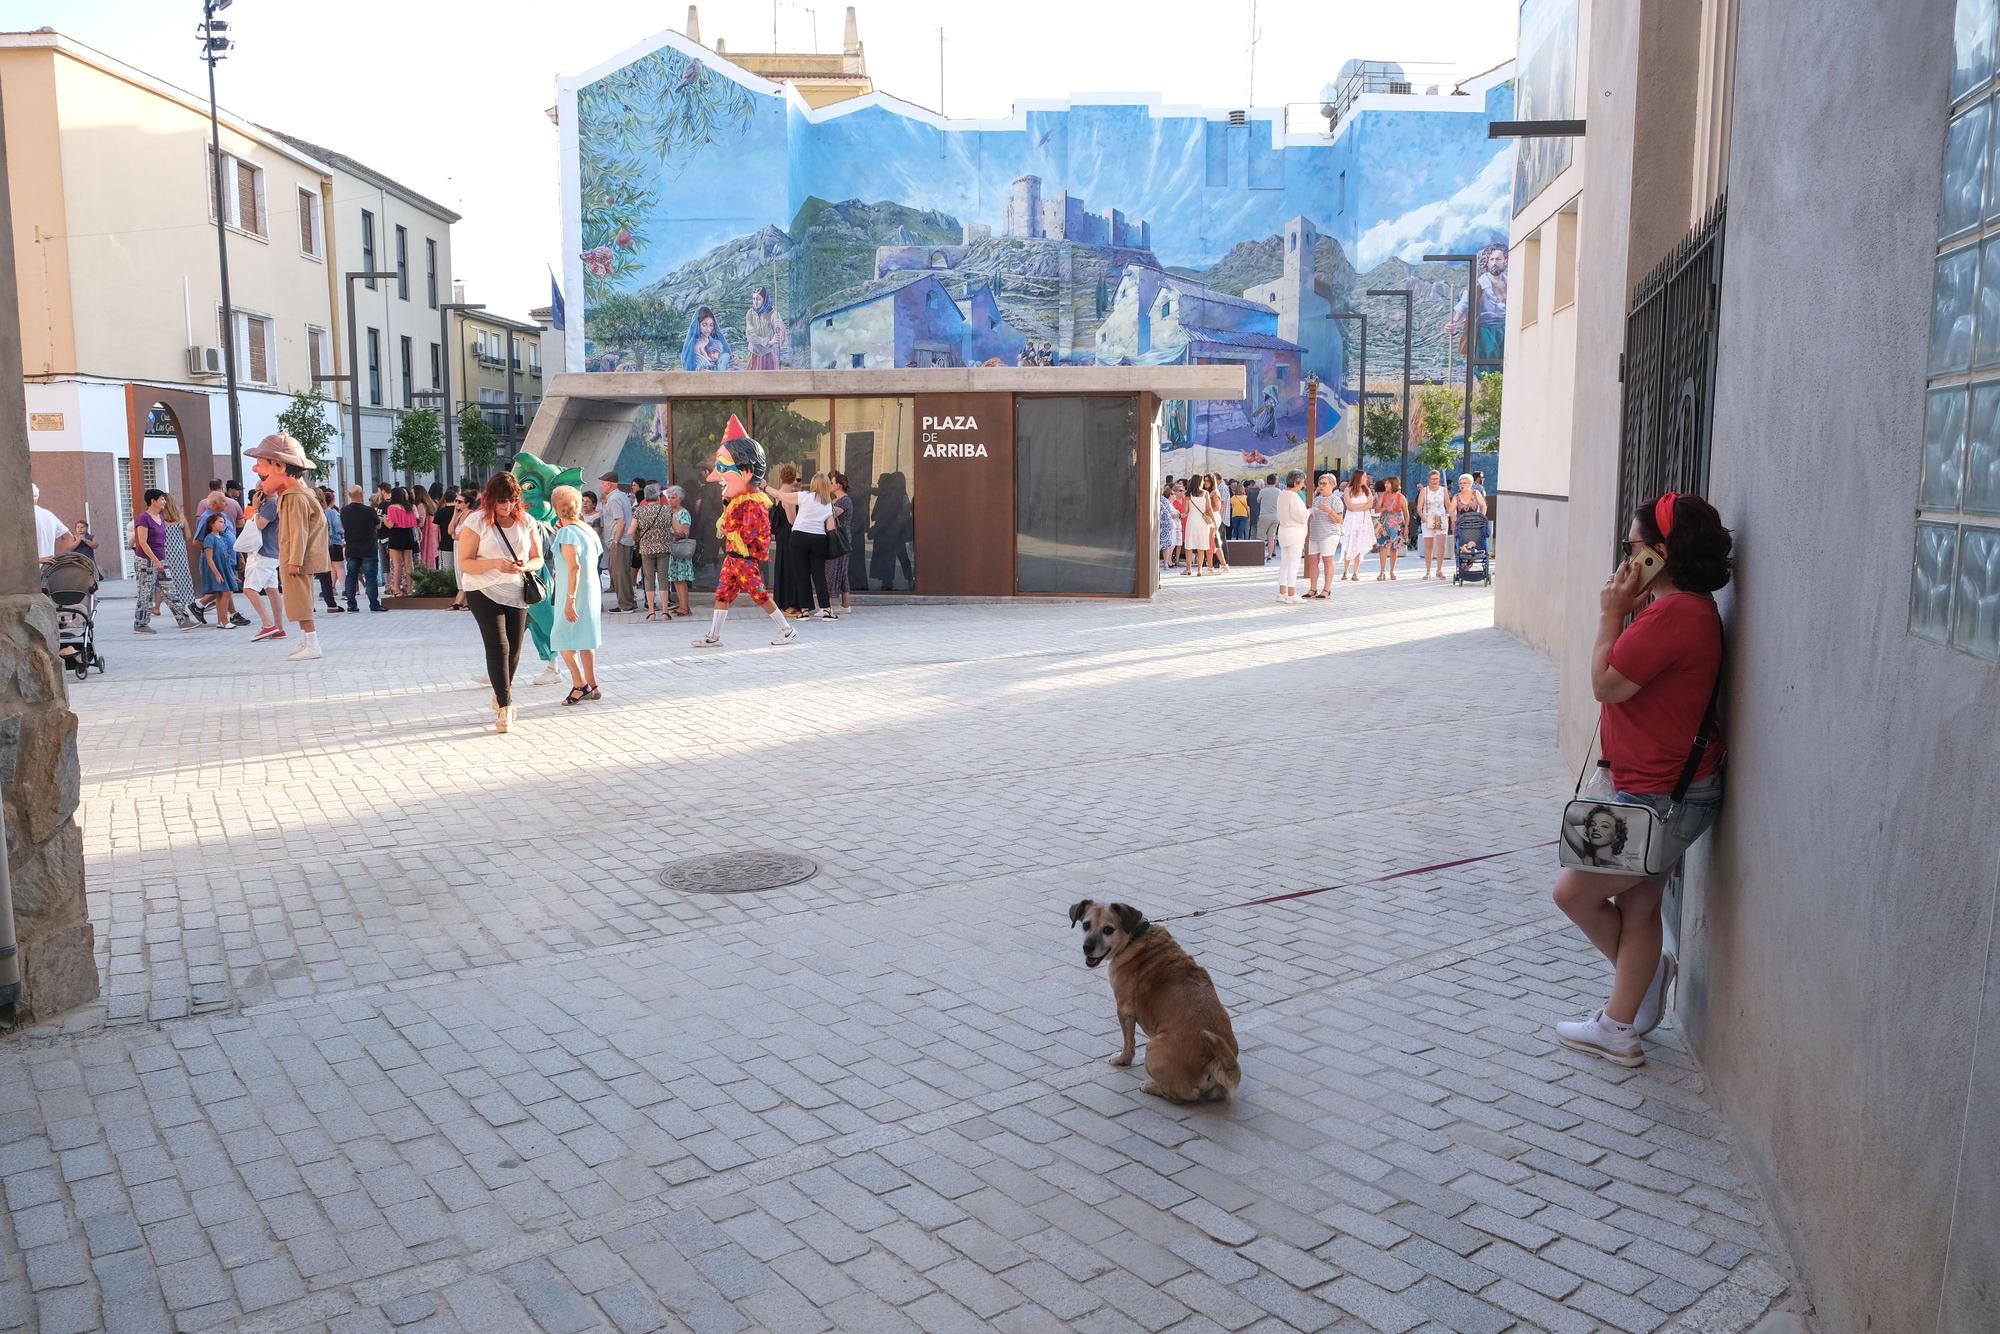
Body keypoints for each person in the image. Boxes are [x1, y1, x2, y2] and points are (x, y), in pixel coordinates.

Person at [1552, 492, 1731, 1067]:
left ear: (1659, 555)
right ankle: (1621, 1020)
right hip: (1661, 791)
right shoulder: (1680, 609)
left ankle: (1635, 996)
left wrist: (1609, 614)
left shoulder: (1676, 614)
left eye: (1631, 548)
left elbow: (1605, 683)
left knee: (1574, 894)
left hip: (1654, 799)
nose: (1625, 559)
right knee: (1641, 907)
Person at [692, 415, 796, 648]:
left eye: (722, 468)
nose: (715, 476)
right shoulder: (739, 501)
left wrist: (729, 525)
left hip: (744, 561)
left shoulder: (753, 503)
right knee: (722, 595)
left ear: (747, 472)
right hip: (733, 559)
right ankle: (713, 636)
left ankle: (787, 630)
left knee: (759, 595)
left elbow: (749, 533)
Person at [457, 472, 544, 733]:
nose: (507, 506)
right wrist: (496, 563)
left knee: (515, 649)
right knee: (498, 646)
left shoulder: (526, 521)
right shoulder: (477, 522)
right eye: (502, 501)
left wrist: (525, 566)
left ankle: (499, 692)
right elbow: (465, 563)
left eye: (513, 500)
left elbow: (538, 557)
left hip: (516, 589)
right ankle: (505, 707)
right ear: (491, 499)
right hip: (482, 589)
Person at [250, 433, 329, 661]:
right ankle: (305, 640)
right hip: (296, 557)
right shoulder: (296, 495)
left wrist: (294, 560)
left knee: (301, 600)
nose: (257, 469)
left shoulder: (294, 497)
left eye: (261, 464)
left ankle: (312, 643)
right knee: (297, 600)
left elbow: (299, 532)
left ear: (279, 465)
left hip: (297, 560)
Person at [548, 484, 604, 705]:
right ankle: (594, 684)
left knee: (561, 638)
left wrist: (569, 600)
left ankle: (580, 684)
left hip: (573, 591)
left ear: (555, 508)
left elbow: (574, 567)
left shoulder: (567, 532)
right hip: (591, 590)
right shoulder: (586, 529)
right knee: (585, 638)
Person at [130, 489, 196, 633]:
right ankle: (140, 624)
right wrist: (155, 560)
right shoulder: (144, 518)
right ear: (153, 501)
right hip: (146, 561)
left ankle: (183, 620)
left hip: (161, 559)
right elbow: (142, 542)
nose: (164, 502)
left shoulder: (160, 517)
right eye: (162, 499)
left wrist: (161, 559)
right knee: (146, 592)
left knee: (170, 590)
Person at [790, 471, 836, 619]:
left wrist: (766, 488)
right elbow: (831, 527)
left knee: (801, 574)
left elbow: (781, 496)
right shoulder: (827, 503)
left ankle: (804, 611)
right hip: (818, 539)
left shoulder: (804, 496)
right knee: (819, 574)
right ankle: (826, 609)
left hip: (799, 536)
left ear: (813, 484)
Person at [156, 496, 207, 624]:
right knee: (182, 580)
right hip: (179, 553)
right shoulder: (180, 517)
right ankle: (183, 611)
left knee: (165, 581)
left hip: (164, 552)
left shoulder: (159, 518)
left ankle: (158, 607)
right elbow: (189, 536)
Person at [632, 483, 677, 620]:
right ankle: (665, 611)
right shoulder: (667, 510)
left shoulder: (639, 511)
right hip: (664, 548)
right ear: (658, 496)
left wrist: (638, 538)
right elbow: (675, 529)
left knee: (649, 579)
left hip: (646, 548)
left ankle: (651, 612)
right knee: (663, 579)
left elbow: (630, 531)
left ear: (645, 497)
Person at [768, 463, 805, 614]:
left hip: (781, 535)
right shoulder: (788, 496)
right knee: (791, 568)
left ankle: (782, 602)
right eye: (797, 478)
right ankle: (790, 604)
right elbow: (792, 520)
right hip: (790, 534)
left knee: (783, 567)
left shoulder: (778, 493)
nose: (798, 481)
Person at [596, 471, 636, 613]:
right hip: (624, 540)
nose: (601, 486)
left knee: (619, 573)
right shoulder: (621, 496)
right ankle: (629, 601)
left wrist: (615, 541)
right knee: (621, 572)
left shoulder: (614, 499)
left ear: (610, 484)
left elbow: (620, 521)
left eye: (603, 483)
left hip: (619, 541)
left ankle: (625, 605)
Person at [340, 484, 383, 613]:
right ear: (362, 494)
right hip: (368, 548)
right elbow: (378, 524)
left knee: (351, 576)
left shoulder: (344, 511)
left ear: (349, 496)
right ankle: (374, 604)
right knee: (370, 576)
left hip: (352, 548)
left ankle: (351, 604)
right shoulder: (369, 511)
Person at [197, 512, 238, 630]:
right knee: (225, 593)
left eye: (224, 522)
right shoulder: (209, 539)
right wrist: (217, 573)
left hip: (224, 569)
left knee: (221, 594)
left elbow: (225, 556)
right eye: (220, 522)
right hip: (216, 570)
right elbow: (209, 559)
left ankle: (221, 621)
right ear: (211, 524)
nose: (223, 524)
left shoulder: (221, 538)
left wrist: (230, 573)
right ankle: (224, 620)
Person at [1273, 470, 1309, 603]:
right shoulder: (1294, 496)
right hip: (1295, 532)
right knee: (1294, 563)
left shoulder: (1282, 494)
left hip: (1283, 530)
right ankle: (1291, 594)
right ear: (1296, 483)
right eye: (1302, 482)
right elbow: (1301, 516)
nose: (1303, 485)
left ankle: (1282, 592)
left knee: (1285, 563)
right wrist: (1309, 511)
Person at [1305, 473, 1343, 599]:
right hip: (1314, 534)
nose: (1321, 486)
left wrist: (1329, 510)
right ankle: (1313, 588)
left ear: (1332, 485)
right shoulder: (1316, 499)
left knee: (1327, 561)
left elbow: (1339, 520)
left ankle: (1327, 589)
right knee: (1313, 562)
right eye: (1320, 483)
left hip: (1329, 534)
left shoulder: (1336, 500)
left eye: (1324, 483)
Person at [382, 487, 420, 597]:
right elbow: (414, 523)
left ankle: (396, 589)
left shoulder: (392, 507)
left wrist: (385, 520)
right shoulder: (409, 507)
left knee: (397, 564)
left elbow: (391, 525)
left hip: (396, 534)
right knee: (409, 563)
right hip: (408, 534)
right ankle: (409, 588)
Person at [1339, 470, 1376, 583]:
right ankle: (1345, 571)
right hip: (1351, 520)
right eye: (1364, 477)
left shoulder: (1367, 490)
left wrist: (1357, 507)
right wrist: (1362, 506)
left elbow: (1370, 505)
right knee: (1348, 543)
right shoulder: (1348, 490)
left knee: (1360, 543)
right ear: (1359, 478)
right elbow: (1349, 506)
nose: (1366, 479)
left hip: (1363, 520)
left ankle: (1355, 572)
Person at [665, 484, 695, 618]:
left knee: (681, 578)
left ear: (679, 499)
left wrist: (673, 524)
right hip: (672, 549)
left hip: (680, 548)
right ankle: (683, 605)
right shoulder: (669, 512)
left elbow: (683, 532)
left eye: (673, 498)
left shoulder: (683, 513)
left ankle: (684, 606)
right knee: (675, 578)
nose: (670, 500)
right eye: (669, 497)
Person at [825, 473, 853, 614]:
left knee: (836, 568)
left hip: (840, 538)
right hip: (839, 536)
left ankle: (829, 605)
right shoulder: (837, 499)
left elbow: (831, 514)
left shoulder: (844, 501)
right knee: (840, 569)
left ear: (839, 485)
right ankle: (845, 605)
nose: (830, 485)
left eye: (831, 482)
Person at [1417, 470, 1451, 579]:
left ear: (1439, 479)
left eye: (1436, 479)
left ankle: (1439, 570)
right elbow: (1419, 506)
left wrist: (1449, 514)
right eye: (1432, 479)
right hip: (1428, 519)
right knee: (1428, 546)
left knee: (1441, 545)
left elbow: (1448, 505)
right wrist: (1422, 516)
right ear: (1429, 479)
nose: (1434, 481)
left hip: (1440, 518)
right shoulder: (1424, 491)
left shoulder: (1443, 490)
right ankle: (1427, 571)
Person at [745, 286, 787, 370]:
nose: (755, 302)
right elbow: (750, 336)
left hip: (768, 355)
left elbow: (780, 334)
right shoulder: (750, 313)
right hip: (754, 354)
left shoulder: (773, 314)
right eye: (753, 299)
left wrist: (780, 332)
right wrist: (768, 342)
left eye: (758, 299)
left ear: (764, 299)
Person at [680, 305, 734, 371]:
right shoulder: (696, 346)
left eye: (711, 325)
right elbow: (694, 367)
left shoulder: (715, 342)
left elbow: (724, 358)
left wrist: (731, 360)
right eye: (704, 325)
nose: (708, 329)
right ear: (698, 325)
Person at [32, 483, 73, 563]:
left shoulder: (19, 518)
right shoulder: (49, 515)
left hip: (26, 571)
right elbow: (69, 537)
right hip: (49, 570)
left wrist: (36, 560)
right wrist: (56, 558)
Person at [1182, 475, 1214, 576]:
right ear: (1200, 482)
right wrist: (1214, 520)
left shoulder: (1188, 495)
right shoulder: (1206, 493)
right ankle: (1199, 569)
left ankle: (1188, 569)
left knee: (1189, 546)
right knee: (1201, 546)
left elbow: (1185, 510)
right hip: (1203, 523)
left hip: (1191, 521)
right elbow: (1209, 508)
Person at [1376, 477, 1408, 580]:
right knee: (1383, 547)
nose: (1385, 485)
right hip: (1384, 523)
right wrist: (1385, 508)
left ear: (1393, 484)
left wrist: (1407, 527)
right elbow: (1377, 509)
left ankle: (1392, 571)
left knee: (1394, 548)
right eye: (1386, 484)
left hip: (1396, 523)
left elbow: (1406, 513)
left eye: (1388, 484)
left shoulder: (1401, 497)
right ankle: (1382, 571)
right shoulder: (1383, 495)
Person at [1255, 472, 1283, 559]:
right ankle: (1270, 555)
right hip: (1275, 516)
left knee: (1261, 537)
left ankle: (1259, 554)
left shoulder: (1263, 491)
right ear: (1275, 482)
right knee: (1272, 537)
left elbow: (1258, 500)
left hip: (1264, 515)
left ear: (1267, 481)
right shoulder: (1279, 491)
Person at [413, 485, 439, 571]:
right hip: (431, 534)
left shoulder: (420, 505)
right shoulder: (429, 504)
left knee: (425, 556)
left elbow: (421, 523)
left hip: (424, 535)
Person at [1158, 482, 1183, 572]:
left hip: (1165, 525)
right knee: (1167, 545)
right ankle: (1166, 563)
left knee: (1167, 545)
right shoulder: (1164, 500)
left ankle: (1166, 563)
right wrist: (1179, 514)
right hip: (1166, 525)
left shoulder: (1162, 500)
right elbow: (1173, 514)